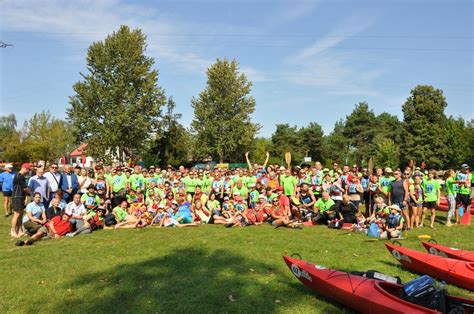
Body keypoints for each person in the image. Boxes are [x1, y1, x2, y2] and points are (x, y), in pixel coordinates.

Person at [11, 163, 31, 238]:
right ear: (24, 168)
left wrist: (25, 197)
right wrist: (30, 193)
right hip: (17, 197)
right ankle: (13, 231)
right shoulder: (20, 176)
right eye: (28, 169)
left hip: (20, 196)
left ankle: (19, 231)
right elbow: (25, 188)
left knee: (20, 215)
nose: (28, 171)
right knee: (17, 214)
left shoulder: (19, 175)